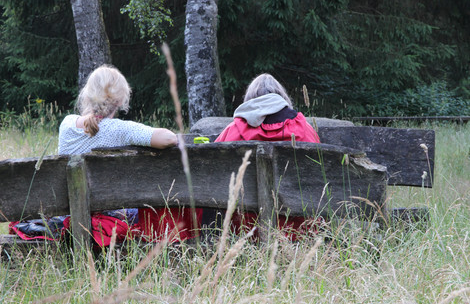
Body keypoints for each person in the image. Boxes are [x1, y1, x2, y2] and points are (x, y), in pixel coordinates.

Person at [58, 64, 200, 246]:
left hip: (70, 212)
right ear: (119, 101)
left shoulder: (66, 124)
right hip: (112, 214)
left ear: (87, 94)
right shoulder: (120, 129)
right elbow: (169, 139)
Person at [214, 73, 321, 241]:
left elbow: (214, 172)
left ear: (249, 100)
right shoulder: (305, 129)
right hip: (299, 228)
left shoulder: (232, 130)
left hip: (243, 228)